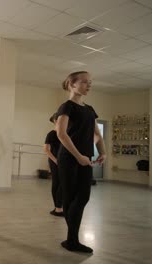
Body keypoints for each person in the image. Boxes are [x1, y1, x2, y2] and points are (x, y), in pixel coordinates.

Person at [55, 71, 106, 254]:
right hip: (69, 158)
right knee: (70, 197)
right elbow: (61, 134)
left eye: (90, 82)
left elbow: (97, 134)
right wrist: (78, 156)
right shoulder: (66, 107)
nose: (88, 85)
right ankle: (72, 240)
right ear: (72, 84)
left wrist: (103, 152)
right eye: (84, 82)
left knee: (83, 197)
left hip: (85, 159)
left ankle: (71, 239)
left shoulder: (90, 110)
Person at [44, 113, 64, 217]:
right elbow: (46, 150)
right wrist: (56, 160)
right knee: (57, 183)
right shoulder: (51, 134)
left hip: (64, 161)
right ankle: (58, 208)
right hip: (54, 161)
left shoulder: (65, 134)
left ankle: (59, 207)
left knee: (63, 183)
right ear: (56, 120)